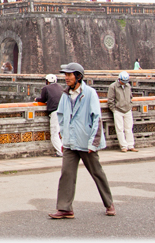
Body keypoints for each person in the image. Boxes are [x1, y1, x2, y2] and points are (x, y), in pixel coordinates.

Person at [50, 63, 114, 219]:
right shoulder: (65, 95)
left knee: (97, 172)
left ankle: (109, 203)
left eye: (69, 75)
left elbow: (97, 118)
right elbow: (61, 116)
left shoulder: (90, 93)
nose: (66, 78)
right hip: (70, 142)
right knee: (67, 174)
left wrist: (94, 142)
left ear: (78, 76)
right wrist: (64, 137)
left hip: (86, 142)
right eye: (65, 75)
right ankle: (65, 208)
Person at [35, 74, 63, 157]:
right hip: (63, 111)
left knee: (54, 133)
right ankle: (66, 151)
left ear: (47, 81)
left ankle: (60, 152)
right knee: (62, 132)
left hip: (55, 112)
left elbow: (43, 99)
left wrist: (37, 99)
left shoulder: (46, 88)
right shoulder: (60, 87)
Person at [108, 71, 136, 153]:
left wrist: (130, 105)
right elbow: (110, 100)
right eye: (123, 81)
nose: (124, 83)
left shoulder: (128, 86)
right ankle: (123, 146)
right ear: (119, 79)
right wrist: (114, 110)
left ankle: (130, 145)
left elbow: (130, 96)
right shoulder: (113, 86)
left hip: (127, 110)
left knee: (129, 128)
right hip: (118, 110)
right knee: (120, 129)